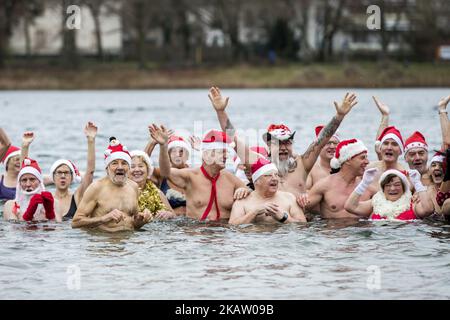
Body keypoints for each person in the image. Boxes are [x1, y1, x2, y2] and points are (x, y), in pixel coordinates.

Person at [209, 86, 358, 197]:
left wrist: (339, 116)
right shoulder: (258, 164)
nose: (283, 147)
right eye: (278, 143)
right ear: (268, 145)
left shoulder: (302, 164)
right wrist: (220, 112)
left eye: (287, 142)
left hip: (298, 231)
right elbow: (233, 136)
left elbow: (322, 139)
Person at [163, 129, 251, 221]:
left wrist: (245, 190)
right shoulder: (191, 176)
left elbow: (254, 195)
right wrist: (163, 147)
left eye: (226, 152)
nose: (226, 156)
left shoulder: (230, 178)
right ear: (209, 154)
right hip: (197, 231)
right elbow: (165, 171)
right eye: (222, 152)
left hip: (225, 231)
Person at [72, 138, 152, 232]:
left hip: (129, 243)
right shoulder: (96, 188)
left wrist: (142, 220)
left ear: (129, 168)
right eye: (114, 163)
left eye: (124, 163)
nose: (120, 167)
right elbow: (75, 222)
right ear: (107, 169)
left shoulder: (133, 187)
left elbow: (133, 223)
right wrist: (104, 218)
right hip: (103, 241)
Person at [297, 139, 375, 219]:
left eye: (366, 158)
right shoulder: (325, 185)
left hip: (362, 230)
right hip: (333, 230)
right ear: (348, 160)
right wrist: (301, 199)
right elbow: (301, 208)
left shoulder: (369, 189)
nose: (367, 162)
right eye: (362, 158)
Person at [229, 158, 306, 224]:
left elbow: (302, 225)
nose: (275, 178)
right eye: (268, 175)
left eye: (276, 175)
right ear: (256, 181)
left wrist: (283, 218)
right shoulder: (243, 201)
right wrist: (254, 212)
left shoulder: (289, 198)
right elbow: (233, 226)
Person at [49, 122, 97, 220]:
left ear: (72, 178)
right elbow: (25, 175)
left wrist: (90, 140)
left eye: (66, 173)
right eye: (59, 172)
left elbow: (90, 172)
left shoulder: (77, 196)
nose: (63, 176)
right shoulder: (47, 198)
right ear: (53, 177)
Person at [345, 168, 434, 220]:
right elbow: (350, 207)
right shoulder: (375, 203)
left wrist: (417, 183)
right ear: (383, 188)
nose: (392, 188)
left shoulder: (412, 203)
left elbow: (428, 210)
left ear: (404, 187)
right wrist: (364, 183)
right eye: (388, 185)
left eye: (397, 185)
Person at [129, 124, 176, 220]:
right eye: (132, 167)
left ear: (148, 171)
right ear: (126, 172)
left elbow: (173, 215)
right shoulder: (122, 191)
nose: (137, 169)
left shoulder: (157, 193)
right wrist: (151, 143)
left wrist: (168, 214)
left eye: (141, 166)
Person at [3, 158, 60, 222]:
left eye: (32, 179)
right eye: (24, 180)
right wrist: (29, 214)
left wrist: (50, 213)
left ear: (39, 181)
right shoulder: (10, 205)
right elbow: (13, 229)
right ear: (19, 183)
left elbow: (57, 229)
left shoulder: (54, 203)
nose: (28, 184)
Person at [305, 125, 340, 190]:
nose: (332, 146)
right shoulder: (311, 170)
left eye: (335, 143)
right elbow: (304, 193)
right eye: (328, 143)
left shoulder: (346, 167)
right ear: (318, 147)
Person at [0, 132, 33, 200]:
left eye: (21, 160)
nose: (19, 162)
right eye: (17, 159)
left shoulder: (29, 178)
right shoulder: (0, 179)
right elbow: (6, 144)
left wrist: (25, 146)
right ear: (7, 163)